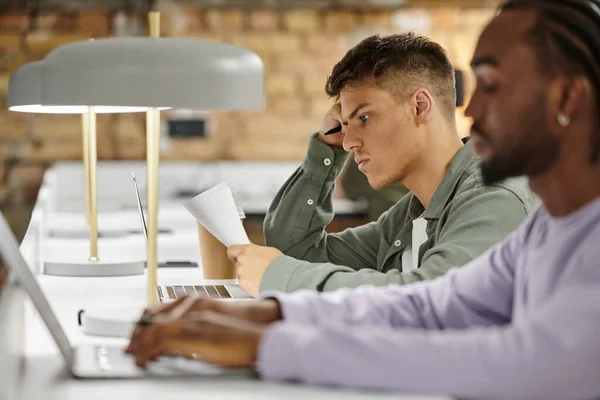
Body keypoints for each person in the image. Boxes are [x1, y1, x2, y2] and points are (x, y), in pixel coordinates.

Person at [126, 1, 600, 398]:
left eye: (492, 86)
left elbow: (499, 359)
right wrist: (267, 312)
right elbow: (430, 306)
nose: (472, 110)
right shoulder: (545, 230)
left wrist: (267, 342)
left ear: (568, 98)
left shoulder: (508, 204)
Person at [227, 32, 538, 297]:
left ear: (420, 107)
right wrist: (327, 146)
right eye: (345, 124)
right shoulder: (412, 214)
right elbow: (294, 251)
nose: (349, 142)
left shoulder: (494, 195)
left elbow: (433, 295)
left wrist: (286, 279)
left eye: (364, 117)